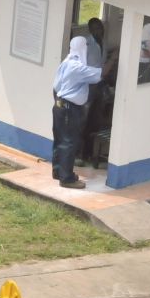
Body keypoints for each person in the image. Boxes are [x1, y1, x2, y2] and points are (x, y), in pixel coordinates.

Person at [52, 36, 113, 189]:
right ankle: (67, 179)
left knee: (60, 140)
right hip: (69, 109)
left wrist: (60, 103)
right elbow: (102, 73)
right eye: (85, 45)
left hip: (59, 106)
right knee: (69, 142)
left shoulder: (65, 63)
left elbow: (55, 87)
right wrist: (114, 58)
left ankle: (59, 171)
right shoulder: (77, 67)